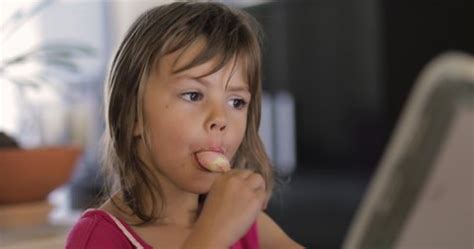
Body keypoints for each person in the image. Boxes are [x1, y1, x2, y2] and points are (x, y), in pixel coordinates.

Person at [65, 2, 304, 248]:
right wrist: (213, 233)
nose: (220, 119)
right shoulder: (97, 238)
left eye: (236, 101)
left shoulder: (248, 225)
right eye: (193, 95)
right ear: (133, 114)